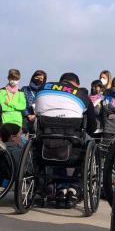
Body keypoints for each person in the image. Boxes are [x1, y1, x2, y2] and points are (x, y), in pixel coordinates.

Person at [34, 73, 97, 206]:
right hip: (71, 144)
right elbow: (92, 126)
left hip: (45, 142)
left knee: (54, 142)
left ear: (60, 81)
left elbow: (37, 113)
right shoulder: (82, 95)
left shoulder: (44, 88)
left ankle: (58, 187)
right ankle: (74, 188)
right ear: (77, 85)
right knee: (85, 147)